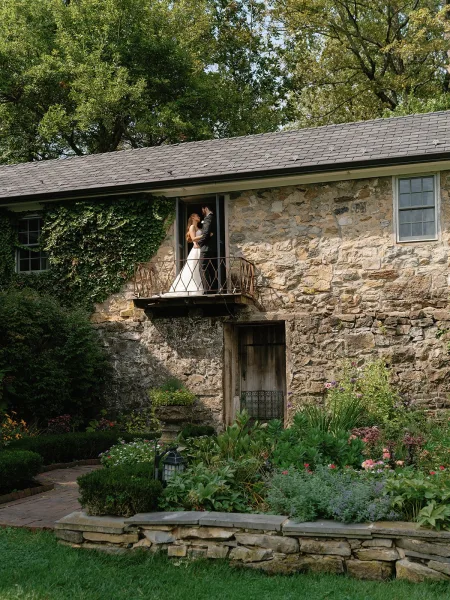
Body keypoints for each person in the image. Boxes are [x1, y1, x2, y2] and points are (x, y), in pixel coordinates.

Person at [166, 214, 204, 296]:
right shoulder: (192, 227)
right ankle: (189, 287)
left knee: (198, 268)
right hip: (196, 248)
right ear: (193, 217)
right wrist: (205, 235)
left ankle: (198, 286)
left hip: (199, 248)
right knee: (192, 268)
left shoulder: (198, 228)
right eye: (197, 216)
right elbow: (193, 238)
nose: (199, 217)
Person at [197, 204, 217, 294]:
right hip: (213, 248)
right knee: (210, 268)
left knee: (202, 268)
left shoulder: (208, 218)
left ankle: (207, 290)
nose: (202, 212)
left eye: (202, 209)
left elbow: (206, 233)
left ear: (205, 208)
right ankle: (212, 288)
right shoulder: (215, 217)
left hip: (206, 248)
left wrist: (199, 243)